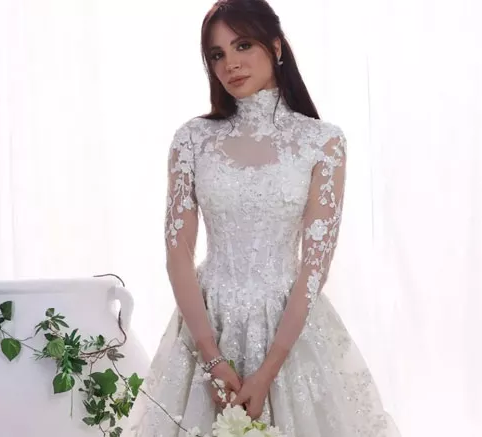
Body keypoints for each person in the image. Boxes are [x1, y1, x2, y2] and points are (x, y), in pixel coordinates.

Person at [132, 0, 401, 435]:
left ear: (275, 46)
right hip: (206, 322)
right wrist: (211, 358)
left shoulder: (322, 142)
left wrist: (269, 369)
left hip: (290, 328)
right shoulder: (193, 139)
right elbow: (177, 254)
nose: (230, 64)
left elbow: (315, 267)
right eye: (217, 54)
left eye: (242, 45)